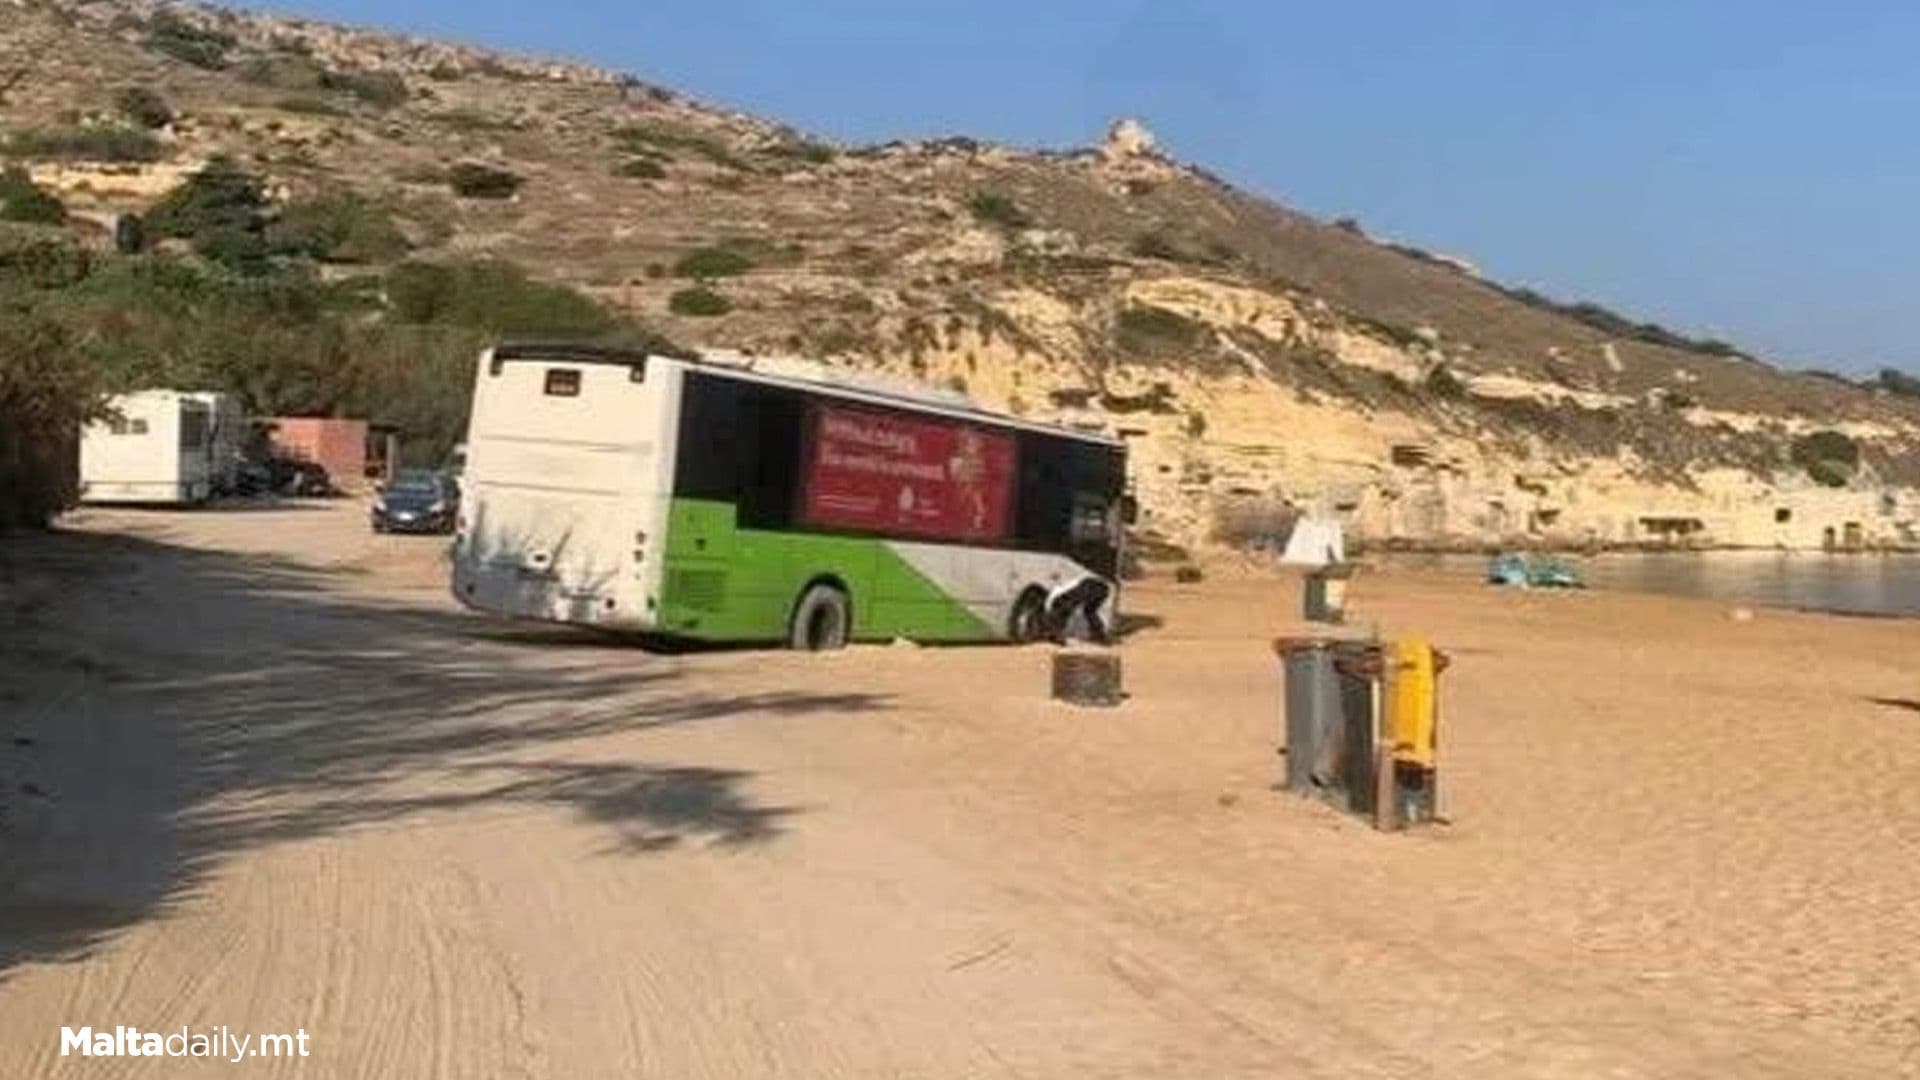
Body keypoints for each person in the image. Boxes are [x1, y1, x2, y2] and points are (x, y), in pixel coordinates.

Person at [1045, 574, 1112, 645]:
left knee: (1064, 611)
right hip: (1104, 589)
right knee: (1089, 611)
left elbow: (1059, 612)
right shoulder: (1063, 589)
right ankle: (1099, 635)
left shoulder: (1055, 598)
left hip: (1088, 585)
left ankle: (1057, 635)